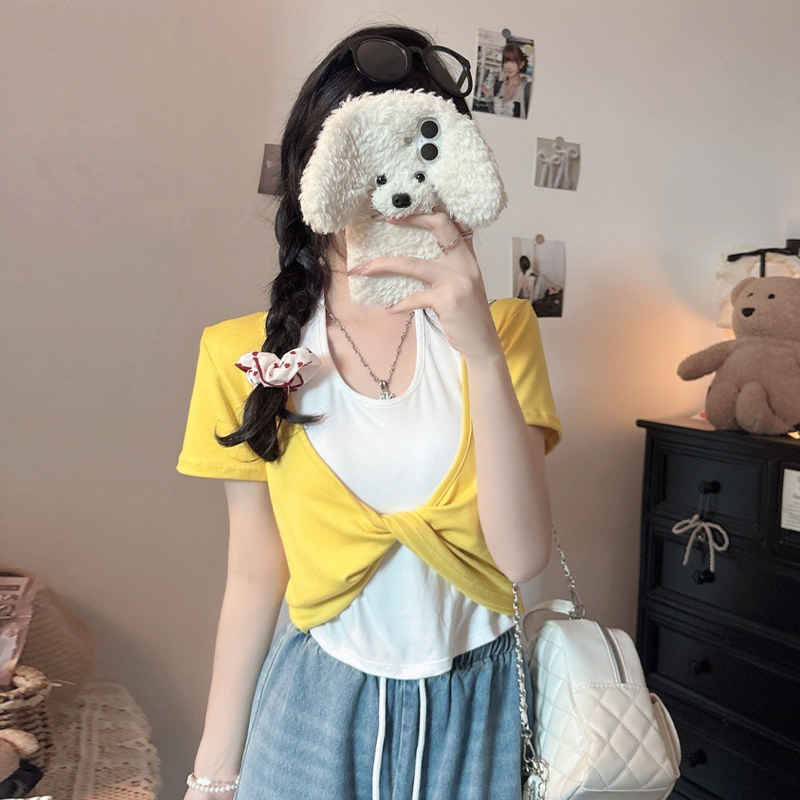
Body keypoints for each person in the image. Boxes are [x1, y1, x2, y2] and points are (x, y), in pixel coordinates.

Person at [176, 22, 563, 800]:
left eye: (421, 148)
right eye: (360, 154)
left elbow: (523, 558)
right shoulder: (238, 352)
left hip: (475, 708)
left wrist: (482, 352)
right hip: (311, 704)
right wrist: (213, 773)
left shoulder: (503, 331)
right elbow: (253, 572)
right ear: (313, 170)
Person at [491, 41, 531, 118]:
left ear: (521, 64)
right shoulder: (499, 86)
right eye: (506, 62)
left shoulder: (525, 90)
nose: (509, 67)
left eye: (513, 62)